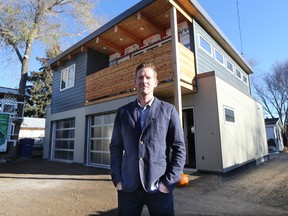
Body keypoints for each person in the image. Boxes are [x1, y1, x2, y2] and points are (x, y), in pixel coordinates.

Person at [110, 62, 186, 216]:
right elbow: (116, 147)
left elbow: (179, 148)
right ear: (135, 82)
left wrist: (168, 182)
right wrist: (117, 179)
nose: (144, 81)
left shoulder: (168, 110)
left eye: (148, 77)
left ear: (155, 82)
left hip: (159, 188)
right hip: (128, 188)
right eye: (140, 77)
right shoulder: (123, 112)